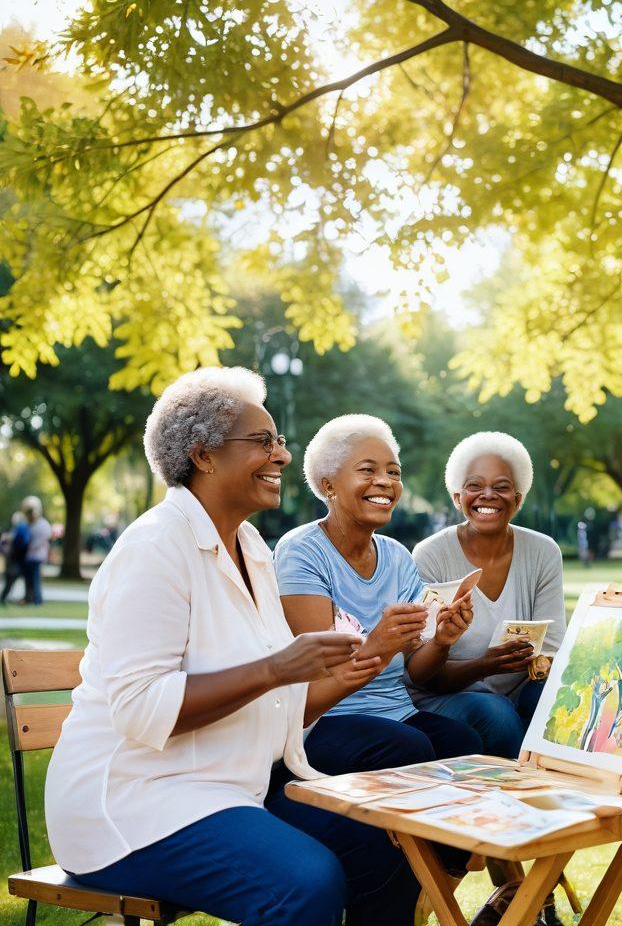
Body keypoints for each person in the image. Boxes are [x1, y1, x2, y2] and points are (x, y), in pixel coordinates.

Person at [44, 368, 421, 926]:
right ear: (203, 455)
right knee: (305, 880)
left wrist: (369, 654)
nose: (284, 456)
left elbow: (285, 708)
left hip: (229, 789)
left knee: (390, 844)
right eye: (263, 441)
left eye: (280, 440)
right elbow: (142, 707)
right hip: (135, 804)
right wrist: (274, 669)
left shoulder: (251, 547)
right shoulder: (154, 549)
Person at [274, 414, 482, 779]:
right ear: (328, 485)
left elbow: (417, 671)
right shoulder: (301, 551)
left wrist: (443, 641)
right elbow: (320, 676)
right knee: (409, 747)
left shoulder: (397, 556)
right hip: (324, 719)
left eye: (394, 472)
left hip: (397, 712)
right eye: (367, 470)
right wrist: (380, 642)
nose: (385, 481)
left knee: (464, 744)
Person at [411, 432, 567, 759]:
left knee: (561, 701)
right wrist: (486, 665)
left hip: (522, 690)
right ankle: (513, 802)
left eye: (501, 486)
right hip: (450, 695)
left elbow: (551, 649)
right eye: (474, 486)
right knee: (498, 716)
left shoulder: (543, 551)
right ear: (457, 497)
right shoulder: (430, 555)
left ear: (518, 498)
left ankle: (571, 798)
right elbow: (425, 675)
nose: (488, 495)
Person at [21, 495, 52, 605]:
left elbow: (45, 537)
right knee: (29, 580)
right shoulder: (29, 524)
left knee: (35, 580)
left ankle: (37, 600)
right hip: (29, 556)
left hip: (37, 556)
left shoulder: (43, 524)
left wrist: (33, 546)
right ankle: (29, 598)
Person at [0, 510, 30, 604]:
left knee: (11, 578)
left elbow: (22, 542)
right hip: (15, 559)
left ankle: (3, 598)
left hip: (15, 559)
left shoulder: (19, 529)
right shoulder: (19, 529)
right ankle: (3, 598)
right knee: (11, 578)